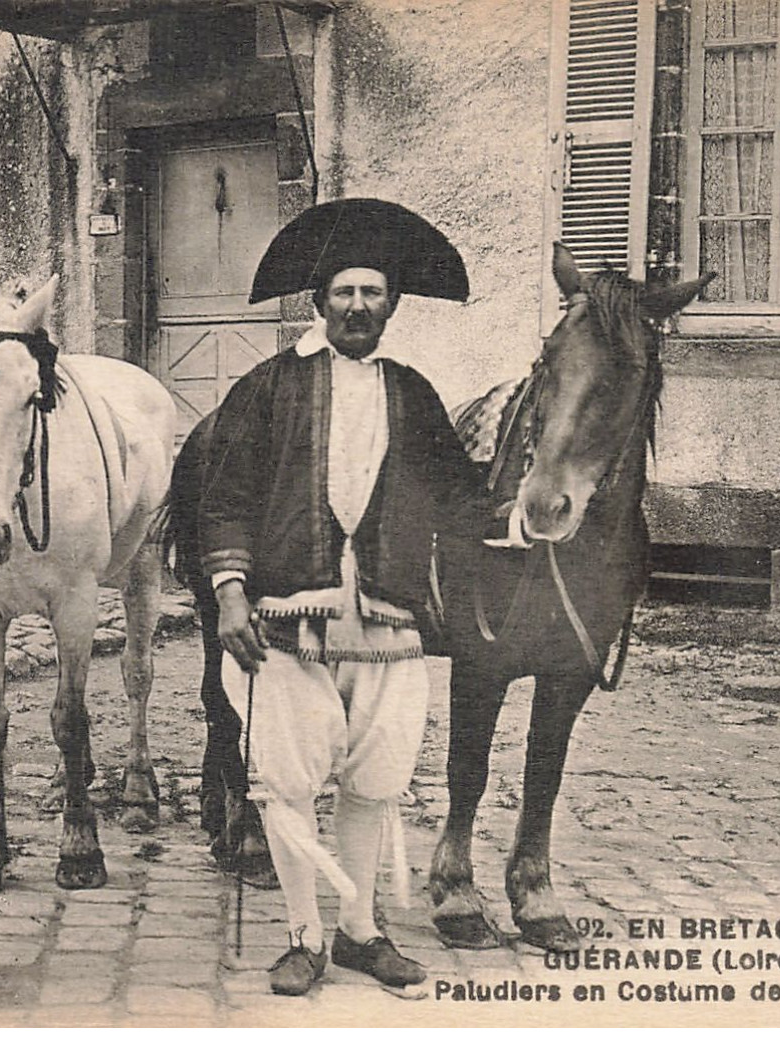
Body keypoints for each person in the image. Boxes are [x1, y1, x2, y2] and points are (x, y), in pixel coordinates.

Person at [198, 199, 491, 996]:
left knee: (375, 782)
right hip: (288, 623)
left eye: (372, 293)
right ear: (319, 303)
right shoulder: (267, 388)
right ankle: (302, 936)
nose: (358, 306)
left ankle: (359, 932)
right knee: (288, 786)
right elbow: (223, 499)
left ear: (391, 304)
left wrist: (527, 503)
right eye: (344, 293)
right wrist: (229, 594)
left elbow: (460, 498)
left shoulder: (413, 394)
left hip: (391, 626)